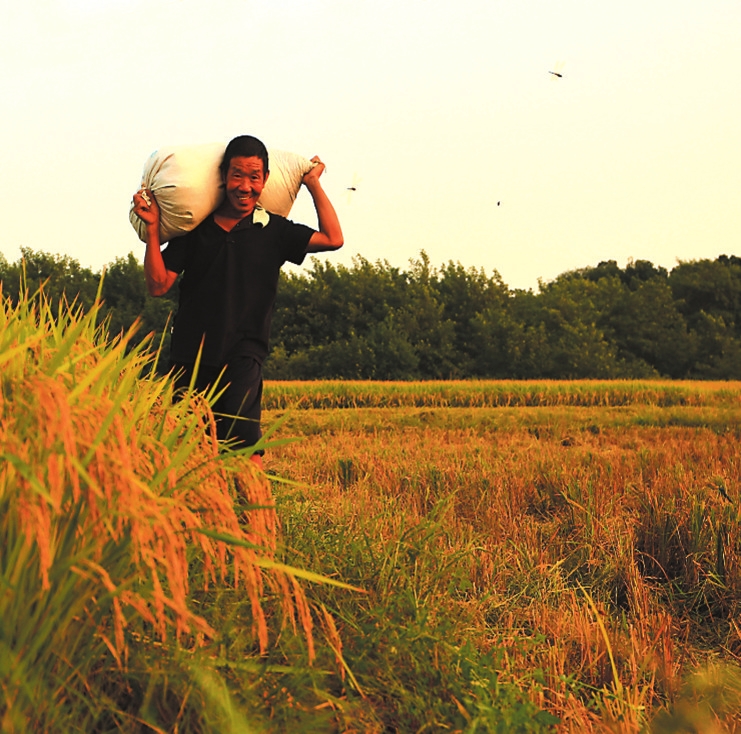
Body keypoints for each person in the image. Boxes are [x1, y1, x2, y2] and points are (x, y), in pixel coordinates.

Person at [131, 135, 344, 469]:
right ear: (223, 177)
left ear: (266, 179)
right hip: (190, 357)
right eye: (237, 176)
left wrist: (312, 184)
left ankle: (252, 504)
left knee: (247, 452)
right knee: (191, 457)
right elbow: (158, 286)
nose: (245, 187)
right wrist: (153, 231)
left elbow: (333, 238)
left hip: (243, 356)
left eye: (254, 177)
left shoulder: (273, 231)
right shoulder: (197, 231)